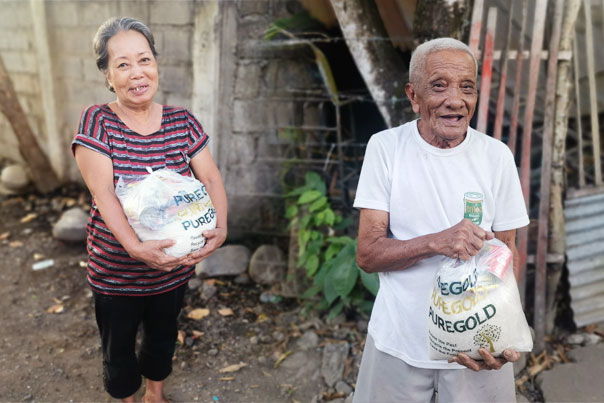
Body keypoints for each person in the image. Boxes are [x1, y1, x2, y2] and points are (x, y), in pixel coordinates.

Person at [352, 37, 529, 402]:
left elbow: (509, 250)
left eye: (467, 87)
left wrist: (503, 332)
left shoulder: (496, 156)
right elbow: (368, 255)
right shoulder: (386, 149)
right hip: (398, 341)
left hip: (477, 345)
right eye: (438, 86)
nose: (455, 100)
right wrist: (436, 242)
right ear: (413, 96)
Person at [72, 17, 227, 403]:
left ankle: (154, 394)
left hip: (173, 269)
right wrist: (136, 248)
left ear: (156, 65)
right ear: (108, 75)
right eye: (122, 64)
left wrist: (221, 228)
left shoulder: (182, 122)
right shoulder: (98, 121)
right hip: (117, 273)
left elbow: (209, 178)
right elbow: (104, 192)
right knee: (118, 347)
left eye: (144, 60)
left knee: (162, 337)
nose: (136, 73)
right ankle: (127, 397)